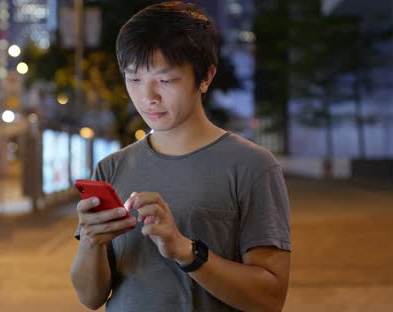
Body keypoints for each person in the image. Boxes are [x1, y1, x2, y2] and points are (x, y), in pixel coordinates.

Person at [70, 2, 291, 311]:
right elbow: (90, 298)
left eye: (166, 80)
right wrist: (92, 243)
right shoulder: (111, 167)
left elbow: (269, 299)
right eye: (133, 79)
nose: (148, 97)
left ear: (205, 77)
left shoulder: (253, 166)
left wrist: (184, 250)